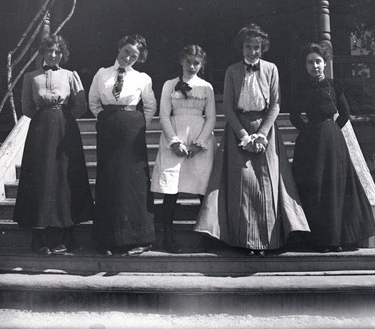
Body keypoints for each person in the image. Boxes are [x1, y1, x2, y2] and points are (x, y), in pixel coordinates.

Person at [194, 24, 310, 256]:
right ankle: (243, 241)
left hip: (266, 131)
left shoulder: (271, 69)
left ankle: (268, 243)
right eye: (248, 47)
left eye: (256, 47)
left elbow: (276, 104)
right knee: (243, 185)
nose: (252, 52)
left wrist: (263, 133)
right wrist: (244, 136)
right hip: (239, 131)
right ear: (241, 48)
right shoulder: (232, 71)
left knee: (266, 185)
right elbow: (227, 106)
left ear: (262, 48)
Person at [290, 42, 375, 252]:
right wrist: (310, 131)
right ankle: (316, 239)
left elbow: (345, 114)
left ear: (325, 63)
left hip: (333, 143)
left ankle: (336, 239)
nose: (315, 66)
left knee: (334, 188)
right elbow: (294, 116)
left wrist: (331, 130)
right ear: (305, 65)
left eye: (318, 61)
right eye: (310, 62)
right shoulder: (301, 87)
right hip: (310, 144)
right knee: (314, 188)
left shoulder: (335, 85)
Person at [14, 34, 94, 256]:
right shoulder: (31, 77)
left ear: (63, 54)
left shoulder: (70, 76)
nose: (53, 55)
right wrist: (45, 118)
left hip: (65, 128)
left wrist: (63, 117)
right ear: (43, 53)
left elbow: (80, 105)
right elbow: (28, 108)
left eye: (58, 51)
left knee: (65, 177)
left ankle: (68, 234)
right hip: (40, 131)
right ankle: (38, 236)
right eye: (49, 51)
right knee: (41, 178)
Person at [88, 34, 157, 256]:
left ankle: (140, 238)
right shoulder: (102, 73)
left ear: (140, 58)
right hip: (108, 128)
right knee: (109, 179)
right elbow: (93, 101)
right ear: (119, 49)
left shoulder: (143, 78)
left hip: (132, 130)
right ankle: (107, 239)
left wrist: (136, 125)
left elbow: (150, 105)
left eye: (134, 55)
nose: (128, 57)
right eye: (126, 51)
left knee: (133, 182)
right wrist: (106, 120)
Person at [151, 45, 217, 253]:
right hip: (175, 137)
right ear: (181, 61)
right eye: (188, 61)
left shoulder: (207, 87)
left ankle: (206, 236)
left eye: (196, 62)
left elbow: (212, 117)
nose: (192, 66)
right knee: (172, 189)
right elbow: (163, 114)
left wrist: (199, 142)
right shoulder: (169, 85)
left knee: (202, 188)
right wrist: (174, 141)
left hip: (199, 140)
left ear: (202, 64)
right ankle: (167, 236)